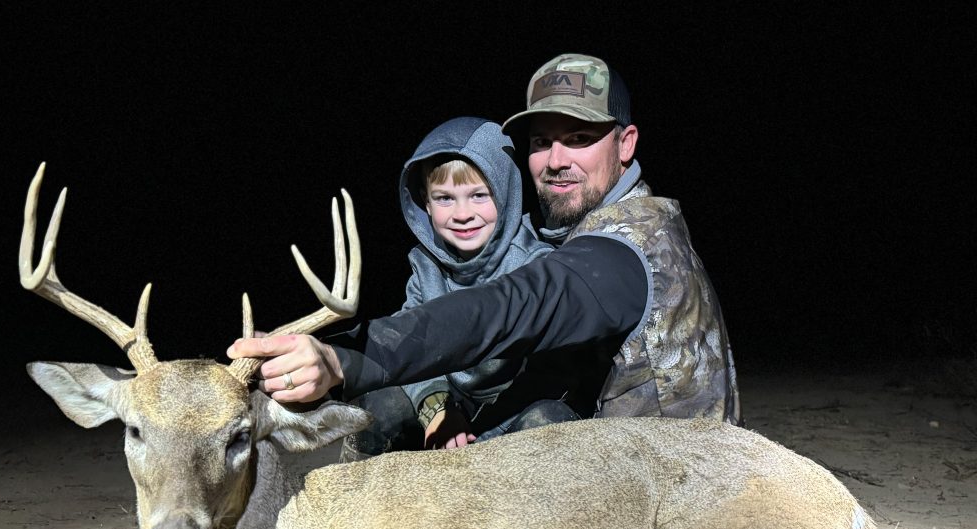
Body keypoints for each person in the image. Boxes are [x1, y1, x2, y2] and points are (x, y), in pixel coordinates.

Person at [229, 53, 741, 428]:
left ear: (625, 144)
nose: (557, 161)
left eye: (580, 139)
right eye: (541, 142)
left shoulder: (626, 248)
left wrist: (344, 358)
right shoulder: (635, 224)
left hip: (669, 505)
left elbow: (508, 307)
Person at [340, 116, 572, 459]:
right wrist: (437, 411)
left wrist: (484, 438)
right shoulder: (424, 266)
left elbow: (552, 373)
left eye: (479, 195)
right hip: (452, 402)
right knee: (377, 410)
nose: (462, 214)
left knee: (549, 421)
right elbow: (410, 352)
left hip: (517, 406)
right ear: (425, 202)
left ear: (506, 191)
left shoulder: (536, 264)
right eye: (445, 198)